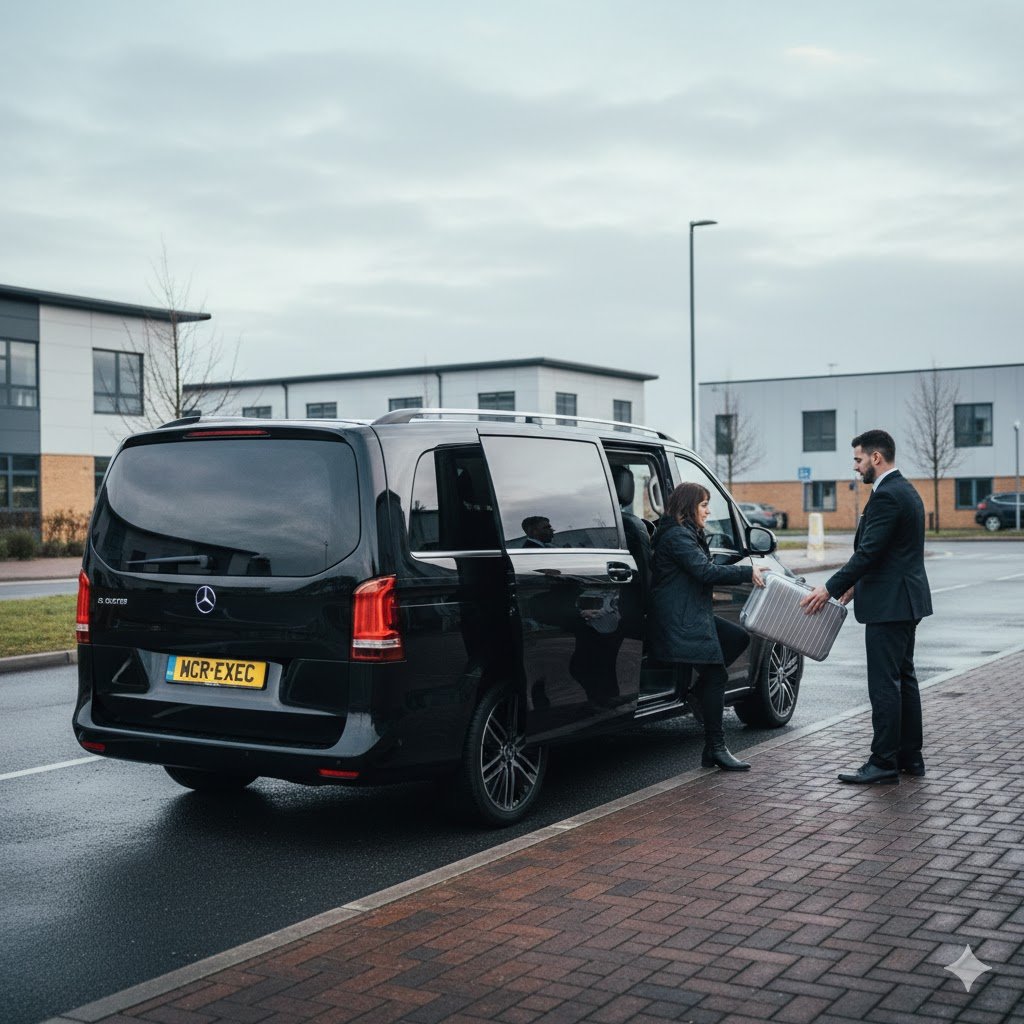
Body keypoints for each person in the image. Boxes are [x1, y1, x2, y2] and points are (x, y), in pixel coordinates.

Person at [800, 429, 932, 785]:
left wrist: (829, 588)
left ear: (876, 458)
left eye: (858, 459)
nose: (855, 467)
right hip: (903, 599)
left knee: (885, 684)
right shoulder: (904, 490)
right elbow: (890, 551)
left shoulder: (888, 495)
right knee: (903, 679)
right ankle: (910, 757)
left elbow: (869, 551)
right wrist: (857, 586)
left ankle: (883, 762)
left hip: (891, 605)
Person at [647, 481, 766, 771]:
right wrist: (747, 571)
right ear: (688, 507)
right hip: (679, 619)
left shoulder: (685, 533)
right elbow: (704, 571)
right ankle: (715, 748)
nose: (708, 511)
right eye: (703, 505)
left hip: (689, 614)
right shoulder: (677, 537)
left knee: (737, 638)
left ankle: (698, 696)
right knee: (716, 675)